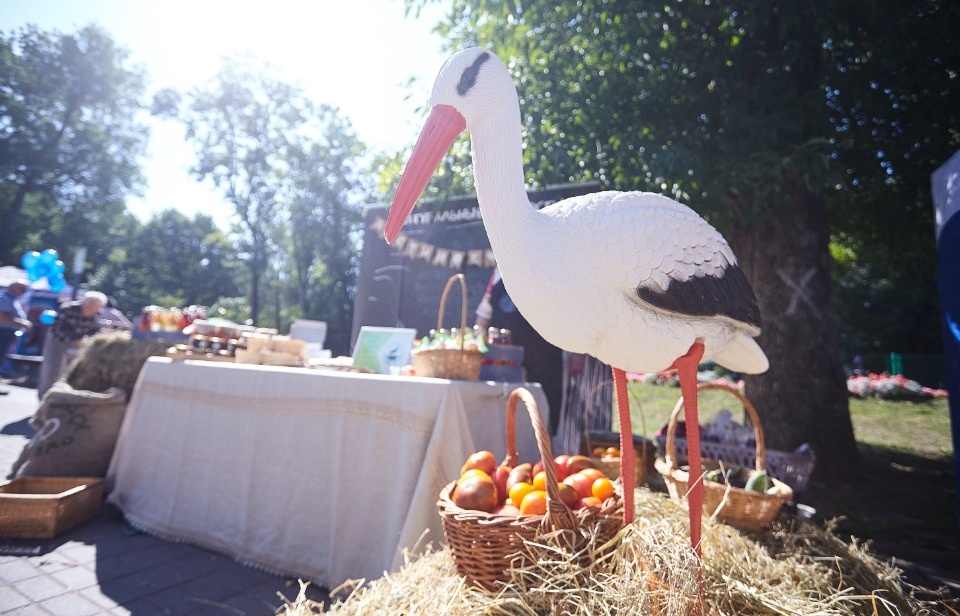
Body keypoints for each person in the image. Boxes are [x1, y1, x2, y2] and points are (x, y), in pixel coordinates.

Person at [475, 268, 566, 438]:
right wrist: (476, 341)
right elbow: (484, 312)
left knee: (541, 414)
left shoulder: (552, 266)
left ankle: (542, 456)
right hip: (503, 362)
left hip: (542, 357)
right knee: (503, 414)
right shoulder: (499, 271)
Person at [37, 291, 107, 399]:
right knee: (52, 371)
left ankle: (61, 398)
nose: (97, 310)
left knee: (69, 372)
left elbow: (95, 332)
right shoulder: (67, 308)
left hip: (77, 344)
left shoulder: (96, 315)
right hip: (57, 342)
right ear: (85, 303)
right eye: (95, 307)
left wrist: (88, 341)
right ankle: (44, 398)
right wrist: (71, 340)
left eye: (98, 307)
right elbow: (56, 329)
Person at [0, 280, 33, 395]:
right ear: (14, 288)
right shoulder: (5, 298)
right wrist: (21, 323)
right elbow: (2, 316)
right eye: (22, 289)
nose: (23, 292)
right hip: (2, 332)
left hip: (6, 333)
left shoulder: (12, 299)